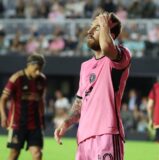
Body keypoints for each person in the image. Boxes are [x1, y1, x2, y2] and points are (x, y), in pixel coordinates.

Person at [54, 9, 131, 160]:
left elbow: (108, 48)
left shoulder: (121, 56)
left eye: (96, 28)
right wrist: (66, 122)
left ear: (111, 34)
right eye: (91, 26)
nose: (89, 31)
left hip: (107, 135)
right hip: (83, 139)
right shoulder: (85, 66)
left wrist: (103, 23)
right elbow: (80, 102)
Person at [0, 53, 46, 160]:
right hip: (17, 123)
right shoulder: (16, 78)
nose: (38, 72)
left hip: (35, 124)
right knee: (14, 153)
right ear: (29, 65)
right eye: (36, 69)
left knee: (37, 154)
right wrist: (3, 116)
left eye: (41, 69)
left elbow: (41, 101)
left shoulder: (42, 79)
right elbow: (3, 98)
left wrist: (42, 119)